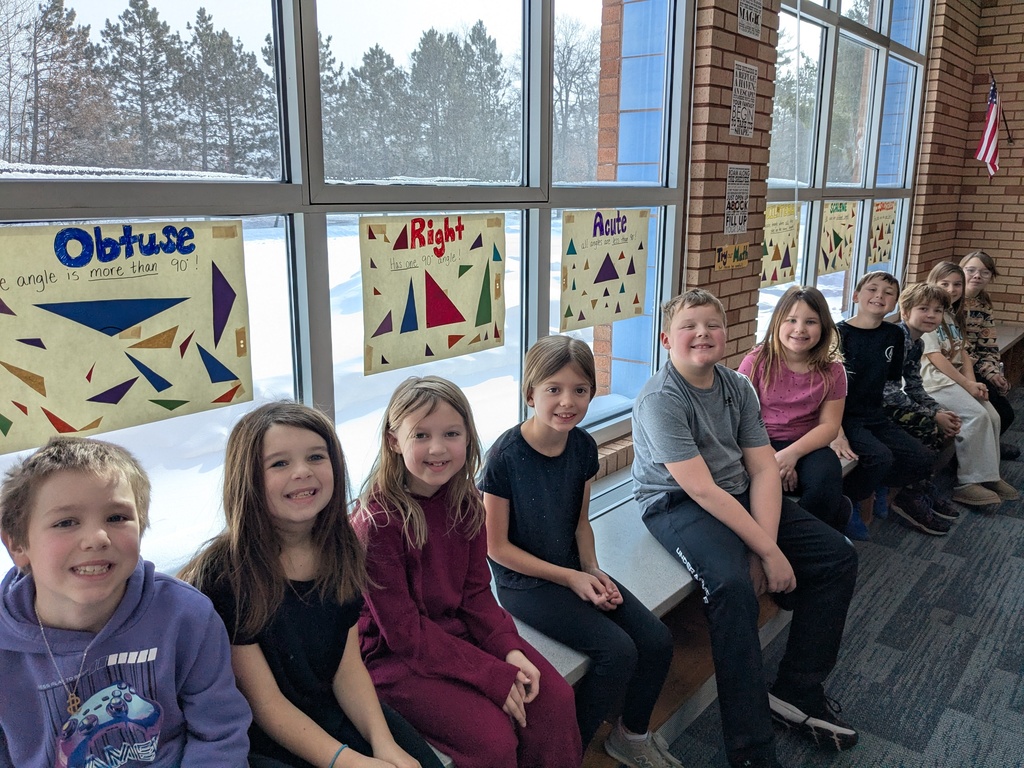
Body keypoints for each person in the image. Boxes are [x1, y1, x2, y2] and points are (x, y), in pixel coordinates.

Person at [631, 289, 858, 768]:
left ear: (726, 333)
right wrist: (767, 554)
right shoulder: (660, 398)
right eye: (689, 326)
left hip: (734, 489)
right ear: (667, 339)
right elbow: (700, 491)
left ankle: (797, 688)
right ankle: (752, 751)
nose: (702, 334)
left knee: (837, 556)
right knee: (731, 587)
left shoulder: (737, 385)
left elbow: (761, 468)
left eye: (712, 325)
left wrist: (765, 546)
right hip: (677, 502)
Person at [180, 402, 439, 768]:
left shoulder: (343, 547)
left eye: (316, 457)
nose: (302, 472)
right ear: (248, 478)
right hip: (260, 736)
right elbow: (265, 703)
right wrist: (351, 762)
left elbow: (347, 668)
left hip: (329, 708)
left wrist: (384, 744)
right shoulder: (226, 573)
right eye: (279, 463)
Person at [355, 376, 582, 768]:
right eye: (421, 435)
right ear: (394, 441)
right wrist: (492, 675)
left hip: (455, 632)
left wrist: (508, 648)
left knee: (554, 700)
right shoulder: (377, 524)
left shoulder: (467, 503)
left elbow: (476, 594)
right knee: (493, 741)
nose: (438, 448)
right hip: (394, 657)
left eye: (451, 434)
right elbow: (405, 634)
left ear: (468, 438)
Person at [480, 336, 680, 768]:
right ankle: (568, 755)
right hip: (524, 584)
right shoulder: (504, 457)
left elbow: (580, 522)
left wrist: (592, 569)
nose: (567, 401)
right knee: (617, 652)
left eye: (580, 390)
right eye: (553, 389)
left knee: (657, 640)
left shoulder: (584, 446)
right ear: (530, 393)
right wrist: (571, 577)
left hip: (573, 567)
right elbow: (496, 548)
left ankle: (632, 735)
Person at [0, 436, 251, 767]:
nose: (97, 538)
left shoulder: (187, 617)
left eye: (117, 518)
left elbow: (220, 734)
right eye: (66, 522)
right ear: (18, 545)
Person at [834, 271, 949, 536]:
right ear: (855, 296)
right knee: (880, 457)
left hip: (876, 415)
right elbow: (826, 389)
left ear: (896, 303)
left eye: (888, 293)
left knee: (922, 457)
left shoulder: (893, 335)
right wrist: (837, 431)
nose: (879, 296)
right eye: (872, 290)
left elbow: (893, 383)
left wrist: (932, 411)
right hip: (845, 416)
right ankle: (849, 501)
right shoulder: (839, 334)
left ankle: (879, 483)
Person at [737, 286, 850, 531]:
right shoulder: (756, 362)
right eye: (791, 320)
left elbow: (829, 426)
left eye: (811, 322)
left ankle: (807, 538)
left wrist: (791, 455)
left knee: (826, 477)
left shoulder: (833, 370)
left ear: (824, 327)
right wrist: (772, 459)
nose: (800, 329)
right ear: (777, 322)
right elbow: (740, 420)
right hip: (757, 443)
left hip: (806, 444)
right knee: (754, 483)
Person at [924, 262, 1018, 505]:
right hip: (935, 382)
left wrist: (974, 384)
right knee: (976, 416)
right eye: (944, 283)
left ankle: (989, 475)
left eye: (957, 284)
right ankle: (967, 482)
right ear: (932, 283)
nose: (951, 289)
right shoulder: (928, 313)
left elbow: (963, 353)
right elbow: (935, 357)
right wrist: (966, 385)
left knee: (993, 415)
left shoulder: (950, 314)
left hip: (955, 380)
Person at [881, 282, 962, 521]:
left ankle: (921, 485)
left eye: (937, 311)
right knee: (929, 426)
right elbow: (889, 393)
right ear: (905, 312)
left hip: (891, 403)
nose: (931, 315)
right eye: (923, 309)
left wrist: (938, 409)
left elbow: (914, 386)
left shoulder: (918, 343)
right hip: (873, 407)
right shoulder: (895, 339)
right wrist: (933, 415)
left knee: (944, 422)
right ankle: (909, 493)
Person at [959, 250, 1019, 459]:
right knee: (1001, 413)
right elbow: (960, 347)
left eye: (984, 272)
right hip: (957, 366)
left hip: (977, 365)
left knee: (1005, 413)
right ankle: (967, 457)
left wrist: (994, 372)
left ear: (991, 277)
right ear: (960, 270)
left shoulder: (983, 304)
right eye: (971, 270)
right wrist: (987, 373)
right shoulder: (952, 301)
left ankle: (988, 447)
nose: (977, 276)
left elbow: (989, 344)